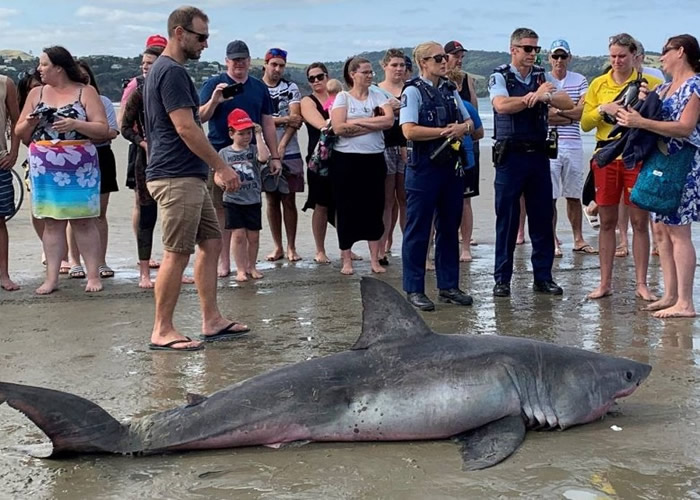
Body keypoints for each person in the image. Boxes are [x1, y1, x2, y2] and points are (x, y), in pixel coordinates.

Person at [143, 6, 246, 351]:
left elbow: (190, 121)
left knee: (212, 241)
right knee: (177, 252)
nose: (205, 43)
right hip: (175, 176)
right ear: (179, 33)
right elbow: (185, 127)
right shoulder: (170, 71)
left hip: (186, 174)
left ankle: (211, 319)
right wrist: (222, 166)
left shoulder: (169, 70)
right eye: (200, 37)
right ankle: (162, 329)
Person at [615, 34, 700, 318]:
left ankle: (685, 302)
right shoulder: (664, 88)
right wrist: (638, 106)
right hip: (661, 161)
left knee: (678, 231)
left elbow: (685, 128)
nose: (661, 56)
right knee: (661, 230)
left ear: (681, 52)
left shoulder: (695, 86)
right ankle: (671, 294)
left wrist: (642, 121)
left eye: (665, 51)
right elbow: (650, 117)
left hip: (683, 164)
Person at [16, 46, 110, 295]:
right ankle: (52, 278)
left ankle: (92, 275)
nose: (39, 69)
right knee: (51, 222)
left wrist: (75, 123)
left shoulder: (85, 92)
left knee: (84, 221)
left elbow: (103, 129)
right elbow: (19, 132)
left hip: (80, 164)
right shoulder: (36, 93)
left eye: (44, 64)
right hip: (45, 164)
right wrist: (31, 121)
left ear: (59, 67)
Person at [488, 28, 574, 298]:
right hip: (510, 155)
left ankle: (543, 277)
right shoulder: (499, 75)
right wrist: (532, 98)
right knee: (507, 220)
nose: (532, 54)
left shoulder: (541, 76)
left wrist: (544, 95)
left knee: (541, 217)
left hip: (537, 155)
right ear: (513, 49)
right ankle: (502, 279)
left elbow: (567, 102)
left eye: (536, 49)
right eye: (527, 49)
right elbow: (502, 105)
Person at [581, 33, 663, 300]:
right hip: (606, 156)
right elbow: (585, 124)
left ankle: (641, 283)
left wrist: (646, 101)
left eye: (622, 56)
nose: (617, 61)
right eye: (613, 56)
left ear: (635, 56)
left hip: (636, 155)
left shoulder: (650, 82)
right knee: (607, 222)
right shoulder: (598, 83)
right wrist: (602, 109)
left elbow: (661, 118)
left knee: (640, 221)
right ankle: (604, 283)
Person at [400, 41, 476, 311]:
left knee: (448, 228)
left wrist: (461, 128)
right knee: (418, 230)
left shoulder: (449, 89)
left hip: (450, 168)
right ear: (423, 63)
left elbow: (469, 123)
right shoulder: (412, 91)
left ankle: (449, 286)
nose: (445, 61)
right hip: (424, 169)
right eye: (438, 58)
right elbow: (408, 130)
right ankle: (414, 289)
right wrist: (444, 131)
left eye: (445, 57)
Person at [199, 39, 281, 275]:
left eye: (243, 59)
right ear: (227, 61)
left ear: (249, 60)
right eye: (234, 60)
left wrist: (275, 156)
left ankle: (246, 266)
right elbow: (200, 117)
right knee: (221, 211)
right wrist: (215, 100)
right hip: (218, 155)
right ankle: (224, 263)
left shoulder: (258, 86)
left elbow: (267, 121)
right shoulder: (213, 84)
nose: (239, 64)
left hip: (251, 156)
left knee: (249, 209)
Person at [330, 56, 394, 275]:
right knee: (347, 208)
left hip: (374, 158)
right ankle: (346, 260)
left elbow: (388, 121)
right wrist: (372, 125)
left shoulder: (378, 95)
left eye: (370, 72)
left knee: (374, 208)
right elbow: (339, 128)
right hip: (346, 160)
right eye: (365, 72)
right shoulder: (343, 97)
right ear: (352, 74)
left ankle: (374, 260)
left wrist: (357, 122)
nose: (369, 76)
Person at [545, 39, 596, 257]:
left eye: (562, 56)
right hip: (550, 144)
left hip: (574, 144)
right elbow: (544, 116)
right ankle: (553, 239)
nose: (559, 60)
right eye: (555, 56)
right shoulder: (543, 80)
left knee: (574, 194)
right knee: (551, 196)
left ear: (569, 58)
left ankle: (578, 239)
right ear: (549, 58)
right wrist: (569, 113)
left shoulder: (580, 79)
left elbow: (581, 113)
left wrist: (560, 114)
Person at [71, 60, 119, 279]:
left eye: (86, 77)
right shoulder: (67, 102)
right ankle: (75, 262)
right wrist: (94, 131)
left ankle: (101, 261)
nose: (83, 81)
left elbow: (110, 131)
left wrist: (81, 131)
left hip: (101, 155)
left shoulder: (103, 101)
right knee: (74, 212)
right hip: (74, 157)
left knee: (100, 213)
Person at [261, 47, 304, 263]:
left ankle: (292, 246)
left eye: (281, 65)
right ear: (265, 65)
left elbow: (296, 119)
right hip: (264, 151)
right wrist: (282, 119)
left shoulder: (291, 88)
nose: (277, 69)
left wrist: (282, 145)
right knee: (271, 199)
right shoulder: (257, 88)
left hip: (290, 149)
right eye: (274, 64)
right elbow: (256, 121)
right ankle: (277, 246)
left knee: (289, 199)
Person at [220, 109, 269, 281]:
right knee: (238, 235)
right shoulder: (224, 153)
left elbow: (264, 158)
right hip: (233, 200)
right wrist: (221, 183)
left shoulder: (254, 150)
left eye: (248, 133)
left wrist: (259, 134)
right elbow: (218, 174)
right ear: (231, 133)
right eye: (242, 133)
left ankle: (252, 266)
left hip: (252, 199)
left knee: (253, 236)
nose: (246, 136)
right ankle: (240, 269)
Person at [445, 40, 482, 261]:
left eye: (461, 56)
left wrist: (466, 127)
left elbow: (474, 112)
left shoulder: (467, 79)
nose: (459, 59)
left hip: (468, 143)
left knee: (466, 198)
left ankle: (465, 244)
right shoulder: (439, 79)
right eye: (455, 55)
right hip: (444, 146)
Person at [300, 62, 335, 264]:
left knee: (343, 202)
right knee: (320, 204)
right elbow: (322, 125)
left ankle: (345, 247)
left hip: (343, 155)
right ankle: (320, 250)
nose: (316, 81)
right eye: (311, 79)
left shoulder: (339, 97)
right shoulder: (308, 101)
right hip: (318, 159)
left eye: (319, 77)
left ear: (327, 76)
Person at [377, 48, 407, 263]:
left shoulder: (412, 88)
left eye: (402, 65)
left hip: (408, 146)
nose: (398, 69)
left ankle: (409, 248)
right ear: (385, 66)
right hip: (384, 146)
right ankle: (380, 250)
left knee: (406, 200)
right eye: (394, 65)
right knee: (386, 201)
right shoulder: (375, 90)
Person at [0, 73, 20, 291]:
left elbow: (16, 119)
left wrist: (14, 152)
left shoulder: (5, 83)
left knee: (0, 220)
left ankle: (3, 274)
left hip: (0, 160)